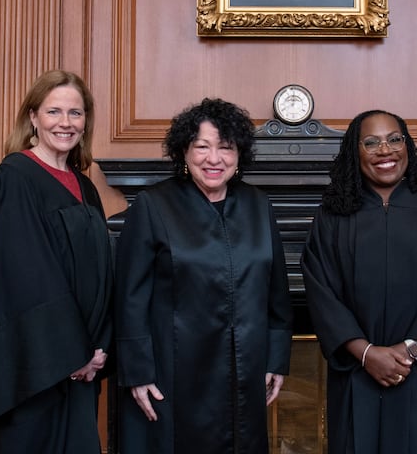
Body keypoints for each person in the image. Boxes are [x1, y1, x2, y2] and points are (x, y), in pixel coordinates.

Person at [114, 98, 293, 453]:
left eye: (225, 148)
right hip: (173, 372)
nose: (214, 159)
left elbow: (277, 294)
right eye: (202, 147)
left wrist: (276, 359)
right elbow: (129, 298)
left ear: (239, 154)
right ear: (184, 151)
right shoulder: (153, 205)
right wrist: (138, 373)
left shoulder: (259, 205)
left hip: (246, 368)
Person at [301, 109, 417, 453]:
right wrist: (365, 353)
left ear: (408, 145)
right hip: (355, 374)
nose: (385, 150)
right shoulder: (333, 217)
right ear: (355, 151)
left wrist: (409, 350)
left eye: (395, 139)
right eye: (371, 142)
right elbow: (322, 292)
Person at [0, 70, 113, 453]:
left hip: (82, 364)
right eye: (54, 111)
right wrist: (73, 352)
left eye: (76, 114)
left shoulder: (84, 187)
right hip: (37, 368)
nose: (65, 123)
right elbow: (25, 276)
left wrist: (100, 347)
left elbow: (102, 274)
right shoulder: (14, 179)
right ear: (32, 117)